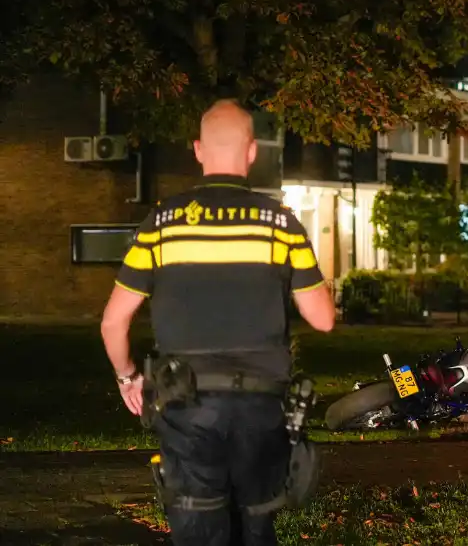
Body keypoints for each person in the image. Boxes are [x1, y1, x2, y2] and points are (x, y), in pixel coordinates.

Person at [98, 99, 336, 545]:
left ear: (198, 150)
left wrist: (127, 377)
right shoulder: (281, 224)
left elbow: (113, 321)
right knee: (256, 521)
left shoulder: (162, 223)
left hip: (187, 406)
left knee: (197, 526)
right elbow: (322, 320)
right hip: (262, 411)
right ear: (252, 153)